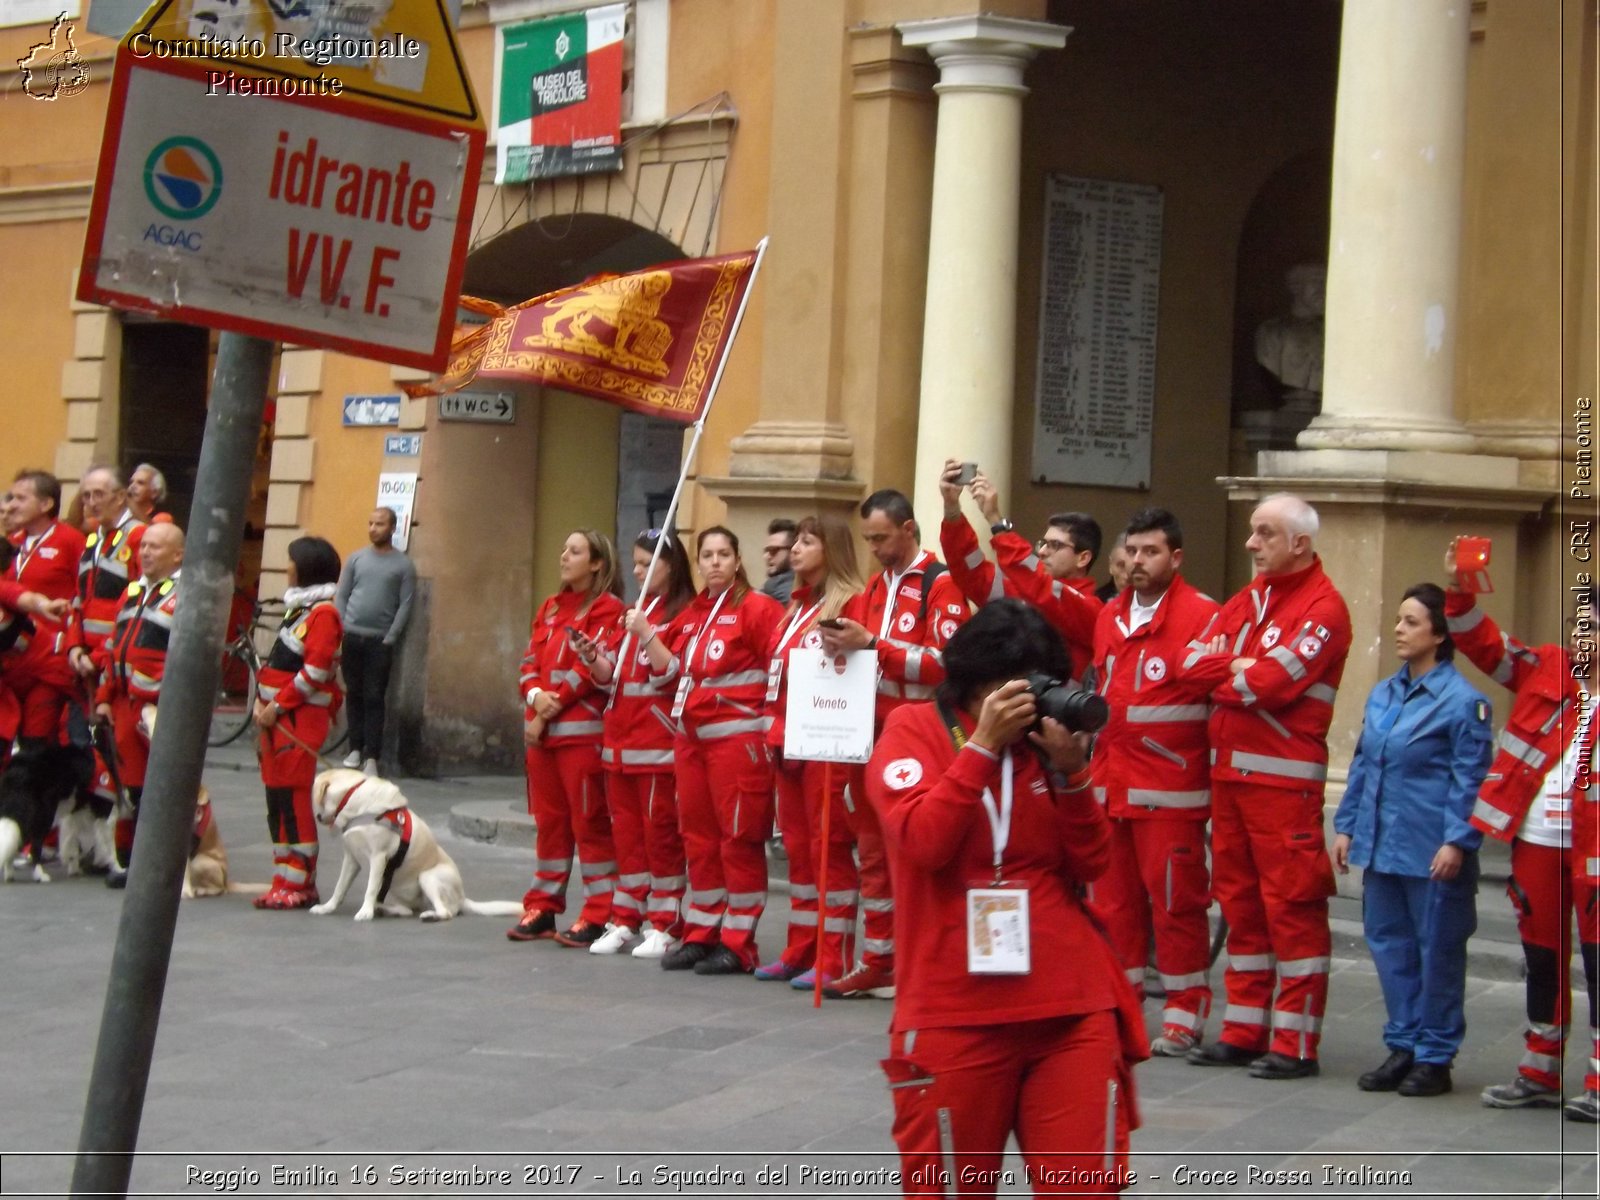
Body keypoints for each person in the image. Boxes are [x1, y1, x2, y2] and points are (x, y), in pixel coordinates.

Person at [869, 598, 1143, 1197]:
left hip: (1069, 1004)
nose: (1027, 698)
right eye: (1013, 685)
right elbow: (924, 843)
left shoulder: (1043, 744)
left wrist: (1074, 776)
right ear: (973, 683)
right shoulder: (912, 731)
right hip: (954, 1010)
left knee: (1084, 1189)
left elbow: (1092, 862)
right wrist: (982, 748)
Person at [1182, 493, 1350, 1080]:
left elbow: (1273, 684)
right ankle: (1244, 1029)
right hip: (1231, 780)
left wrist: (1232, 669)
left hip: (1284, 791)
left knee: (1292, 911)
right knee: (1242, 907)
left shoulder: (1326, 609)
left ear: (1299, 543)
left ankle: (1296, 1043)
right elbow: (1189, 665)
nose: (1251, 543)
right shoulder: (1249, 599)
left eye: (1264, 533)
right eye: (1253, 532)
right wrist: (1238, 669)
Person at [1445, 546, 1599, 1122]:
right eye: (1577, 625)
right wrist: (1460, 586)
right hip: (1536, 840)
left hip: (1596, 853)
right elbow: (1477, 640)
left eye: (1593, 627)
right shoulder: (1547, 667)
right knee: (1542, 957)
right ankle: (1539, 1071)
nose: (1581, 637)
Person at [1331, 582, 1492, 1098]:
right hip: (1383, 844)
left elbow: (1471, 779)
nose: (1398, 630)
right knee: (1389, 945)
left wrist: (1457, 841)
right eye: (1400, 620)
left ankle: (1436, 1054)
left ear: (1440, 634)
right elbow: (1363, 763)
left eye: (1412, 622)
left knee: (1438, 950)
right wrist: (1347, 824)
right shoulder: (1384, 693)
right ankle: (1403, 1043)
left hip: (1431, 849)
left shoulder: (1464, 702)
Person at [820, 488, 969, 998]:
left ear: (909, 529)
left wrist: (873, 645)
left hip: (920, 737)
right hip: (870, 735)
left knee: (916, 849)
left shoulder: (941, 585)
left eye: (881, 537)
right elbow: (864, 654)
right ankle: (878, 958)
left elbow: (947, 664)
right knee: (872, 852)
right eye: (868, 539)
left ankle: (921, 961)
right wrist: (838, 641)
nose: (875, 548)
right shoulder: (875, 586)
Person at [1088, 508, 1222, 1056]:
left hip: (1170, 791)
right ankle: (1123, 1009)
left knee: (1176, 906)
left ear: (1176, 558)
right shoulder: (1108, 616)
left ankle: (1184, 1014)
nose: (1139, 562)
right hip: (1110, 789)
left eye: (1151, 552)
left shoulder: (1204, 616)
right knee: (1113, 907)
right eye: (1134, 552)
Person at [635, 526, 782, 974]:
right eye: (707, 555)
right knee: (697, 839)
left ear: (738, 561)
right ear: (696, 563)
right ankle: (702, 931)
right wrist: (645, 633)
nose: (715, 562)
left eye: (724, 554)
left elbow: (778, 669)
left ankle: (738, 941)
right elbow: (670, 673)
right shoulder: (695, 612)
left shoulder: (758, 609)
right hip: (692, 742)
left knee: (737, 839)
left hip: (736, 744)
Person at [755, 513, 865, 988]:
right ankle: (801, 947)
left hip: (827, 745)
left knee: (829, 851)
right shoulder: (794, 607)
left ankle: (833, 957)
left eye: (806, 541)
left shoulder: (852, 602)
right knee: (799, 852)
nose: (795, 549)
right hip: (788, 744)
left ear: (831, 548)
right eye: (795, 541)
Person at [506, 530, 626, 947]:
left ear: (596, 563)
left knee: (589, 824)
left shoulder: (610, 610)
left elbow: (593, 667)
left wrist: (551, 705)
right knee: (550, 825)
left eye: (574, 551)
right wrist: (537, 697)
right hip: (543, 736)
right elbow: (528, 661)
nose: (564, 556)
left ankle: (598, 910)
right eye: (563, 548)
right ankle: (543, 905)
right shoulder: (551, 607)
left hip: (580, 737)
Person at [581, 529, 696, 957]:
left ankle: (664, 922)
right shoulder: (635, 610)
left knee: (660, 837)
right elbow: (611, 676)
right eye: (636, 563)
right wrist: (593, 657)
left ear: (671, 565)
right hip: (619, 745)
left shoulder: (683, 614)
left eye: (647, 564)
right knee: (626, 838)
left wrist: (648, 633)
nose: (637, 571)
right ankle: (625, 917)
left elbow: (671, 673)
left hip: (656, 745)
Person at [938, 459, 1102, 683]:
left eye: (1055, 545)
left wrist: (996, 521)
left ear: (1083, 558)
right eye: (1042, 543)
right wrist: (952, 510)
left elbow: (1042, 588)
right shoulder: (1021, 590)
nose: (1043, 552)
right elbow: (971, 572)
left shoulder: (1091, 610)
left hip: (1057, 716)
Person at [252, 536, 343, 910]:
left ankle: (300, 882)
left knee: (293, 800)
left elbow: (316, 671)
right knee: (278, 801)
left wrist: (277, 704)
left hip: (297, 722)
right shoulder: (302, 611)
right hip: (278, 720)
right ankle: (283, 876)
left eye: (291, 561)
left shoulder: (323, 614)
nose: (286, 567)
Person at [91, 523, 184, 888]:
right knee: (129, 788)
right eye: (143, 545)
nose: (145, 552)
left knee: (160, 787)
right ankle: (129, 862)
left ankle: (159, 865)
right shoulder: (132, 592)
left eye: (155, 547)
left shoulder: (186, 594)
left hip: (160, 707)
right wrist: (103, 699)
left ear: (177, 554)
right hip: (124, 703)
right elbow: (114, 647)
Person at [68, 466, 146, 865]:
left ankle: (125, 846)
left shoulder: (137, 539)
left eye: (99, 494)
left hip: (116, 667)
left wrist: (101, 656)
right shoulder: (93, 541)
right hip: (89, 664)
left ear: (120, 497)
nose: (91, 502)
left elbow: (134, 609)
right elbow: (78, 602)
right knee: (99, 755)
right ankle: (104, 847)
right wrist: (75, 648)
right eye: (86, 495)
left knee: (123, 757)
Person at [4, 470, 85, 753]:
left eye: (20, 498)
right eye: (11, 498)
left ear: (46, 504)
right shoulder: (10, 544)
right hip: (10, 660)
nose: (12, 504)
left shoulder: (71, 541)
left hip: (49, 662)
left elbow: (85, 597)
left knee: (36, 741)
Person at [334, 507, 417, 777]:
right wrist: (343, 626)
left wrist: (390, 637)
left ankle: (372, 755)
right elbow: (342, 594)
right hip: (352, 636)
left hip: (379, 641)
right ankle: (354, 748)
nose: (373, 529)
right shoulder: (356, 559)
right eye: (370, 523)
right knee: (354, 693)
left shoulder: (403, 565)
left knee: (374, 696)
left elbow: (406, 604)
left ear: (392, 528)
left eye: (379, 524)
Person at [760, 518, 798, 604]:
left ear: (793, 550)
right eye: (766, 551)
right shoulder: (774, 585)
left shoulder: (785, 590)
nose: (766, 556)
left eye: (773, 550)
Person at [1097, 534, 1130, 604]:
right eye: (1121, 566)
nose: (1127, 576)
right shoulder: (1097, 604)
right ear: (1110, 565)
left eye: (1134, 567)